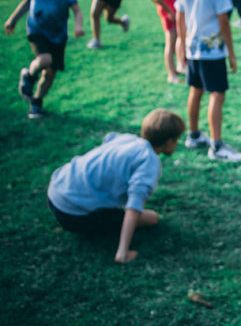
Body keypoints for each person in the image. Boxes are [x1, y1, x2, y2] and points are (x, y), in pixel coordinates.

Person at [47, 109, 185, 263]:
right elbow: (133, 209)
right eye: (177, 139)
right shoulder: (149, 163)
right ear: (168, 142)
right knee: (151, 218)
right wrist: (123, 252)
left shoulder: (128, 139)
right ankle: (120, 251)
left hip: (55, 191)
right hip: (71, 215)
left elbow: (109, 139)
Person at [176, 0, 241, 162]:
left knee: (195, 90)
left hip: (192, 48)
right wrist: (232, 54)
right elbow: (224, 22)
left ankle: (193, 135)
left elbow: (180, 17)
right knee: (216, 94)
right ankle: (216, 146)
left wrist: (182, 44)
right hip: (213, 52)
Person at [4, 0, 84, 118]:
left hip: (58, 35)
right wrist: (12, 19)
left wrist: (78, 25)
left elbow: (76, 10)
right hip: (37, 30)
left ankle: (37, 101)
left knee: (50, 74)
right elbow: (26, 4)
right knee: (45, 59)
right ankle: (29, 75)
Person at [149, 0, 183, 83]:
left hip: (170, 16)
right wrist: (168, 11)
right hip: (170, 18)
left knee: (174, 43)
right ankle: (171, 75)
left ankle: (175, 70)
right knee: (170, 45)